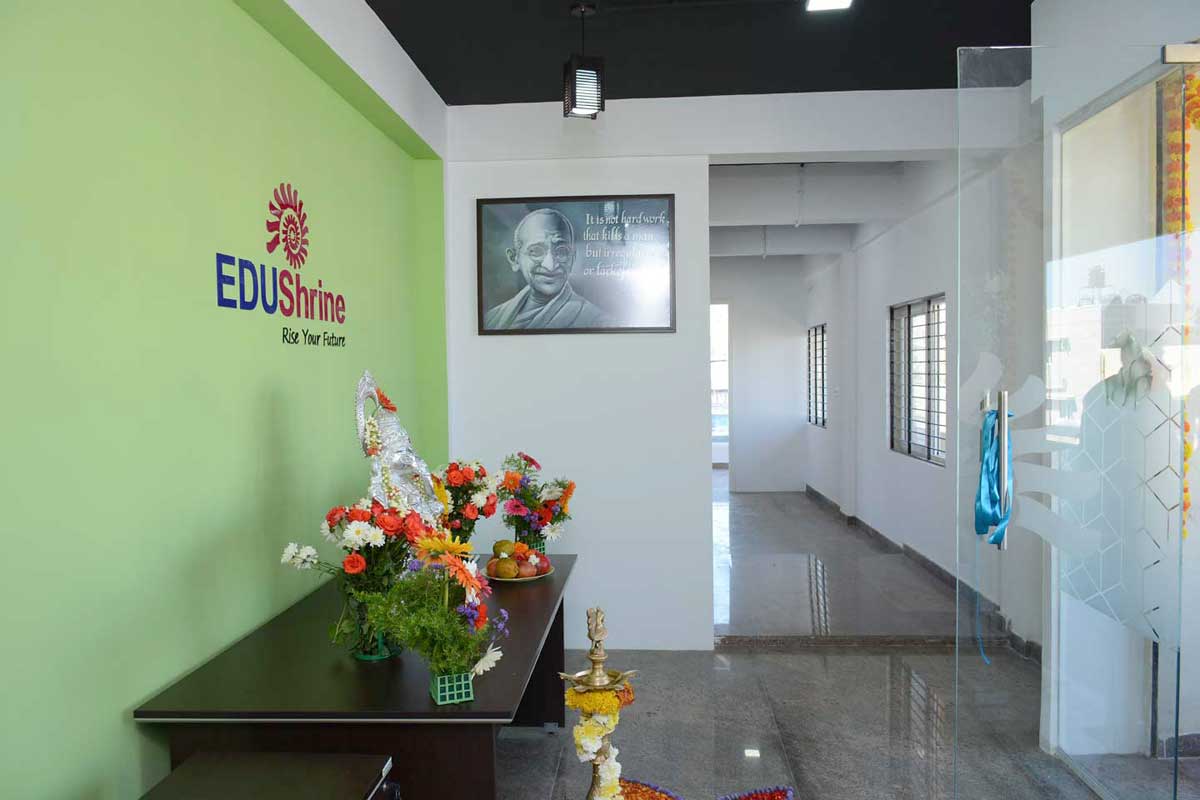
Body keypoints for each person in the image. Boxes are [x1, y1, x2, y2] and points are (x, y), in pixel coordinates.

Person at [485, 208, 613, 330]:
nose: (550, 265)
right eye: (536, 251)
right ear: (514, 258)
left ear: (573, 257)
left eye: (561, 251)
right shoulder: (492, 319)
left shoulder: (598, 322)